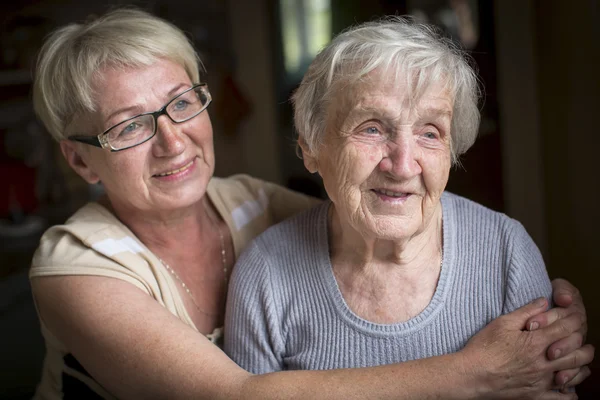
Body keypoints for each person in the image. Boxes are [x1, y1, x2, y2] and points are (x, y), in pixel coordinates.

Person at [28, 8, 592, 400]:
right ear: (80, 161)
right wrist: (479, 373)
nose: (173, 141)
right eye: (128, 126)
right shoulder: (74, 268)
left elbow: (363, 204)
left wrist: (554, 322)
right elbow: (236, 396)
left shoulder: (247, 202)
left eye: (181, 104)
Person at [224, 15, 594, 395]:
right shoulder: (266, 275)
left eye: (430, 133)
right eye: (371, 127)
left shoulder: (505, 250)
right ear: (311, 148)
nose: (402, 166)